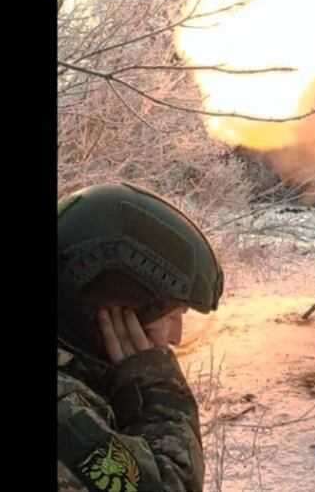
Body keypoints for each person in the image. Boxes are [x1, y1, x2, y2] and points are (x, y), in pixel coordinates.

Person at [57, 182, 224, 492]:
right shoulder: (65, 412)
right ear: (117, 304)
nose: (176, 337)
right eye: (172, 316)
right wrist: (156, 391)